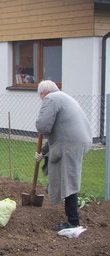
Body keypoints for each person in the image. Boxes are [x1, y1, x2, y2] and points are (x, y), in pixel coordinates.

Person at [35, 80, 92, 231]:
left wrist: (39, 123)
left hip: (70, 144)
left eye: (40, 96)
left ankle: (73, 221)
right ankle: (53, 188)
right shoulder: (63, 97)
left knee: (69, 179)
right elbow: (56, 131)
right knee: (56, 166)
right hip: (78, 141)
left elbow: (43, 126)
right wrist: (43, 153)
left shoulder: (50, 99)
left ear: (42, 93)